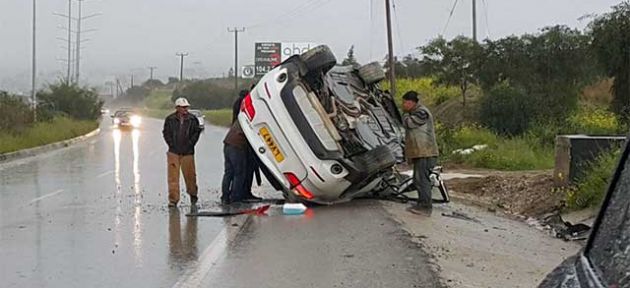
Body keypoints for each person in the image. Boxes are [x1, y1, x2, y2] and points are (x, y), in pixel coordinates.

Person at [401, 91, 439, 216]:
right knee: (418, 179)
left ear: (412, 102)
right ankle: (421, 203)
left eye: (405, 102)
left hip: (426, 153)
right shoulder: (415, 112)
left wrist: (404, 115)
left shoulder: (421, 112)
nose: (403, 105)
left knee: (422, 180)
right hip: (421, 153)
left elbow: (409, 123)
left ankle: (425, 207)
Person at [162, 97, 202, 207]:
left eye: (186, 107)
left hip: (188, 152)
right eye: (183, 107)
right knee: (173, 178)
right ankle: (173, 200)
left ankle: (193, 195)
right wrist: (171, 144)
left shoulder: (193, 119)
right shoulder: (169, 119)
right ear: (177, 108)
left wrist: (190, 144)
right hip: (173, 152)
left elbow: (196, 133)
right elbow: (166, 133)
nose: (185, 109)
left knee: (190, 177)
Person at [221, 121, 249, 204]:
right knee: (239, 173)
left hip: (228, 144)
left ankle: (225, 197)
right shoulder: (250, 121)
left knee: (228, 173)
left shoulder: (242, 118)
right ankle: (235, 197)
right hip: (237, 146)